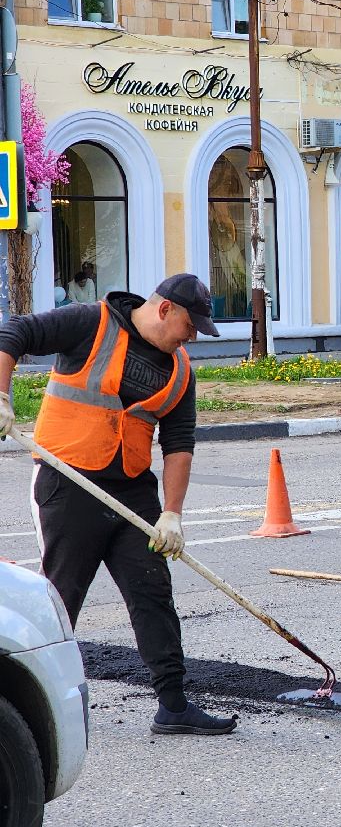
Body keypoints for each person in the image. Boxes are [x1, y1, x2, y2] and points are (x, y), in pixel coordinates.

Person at [0, 273, 239, 736]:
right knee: (60, 599)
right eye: (190, 325)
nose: (192, 336)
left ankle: (173, 705)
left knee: (153, 592)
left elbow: (179, 443)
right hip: (68, 483)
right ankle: (26, 710)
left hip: (130, 490)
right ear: (165, 309)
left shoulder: (180, 371)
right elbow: (14, 331)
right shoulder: (91, 323)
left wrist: (172, 512)